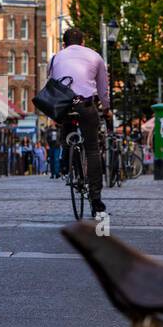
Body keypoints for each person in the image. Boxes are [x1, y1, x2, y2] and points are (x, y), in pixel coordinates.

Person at [48, 28, 110, 217]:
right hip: (84, 103)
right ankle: (96, 198)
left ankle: (66, 157)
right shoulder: (96, 57)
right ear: (83, 42)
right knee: (92, 148)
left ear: (64, 44)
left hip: (64, 104)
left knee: (66, 126)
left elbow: (50, 83)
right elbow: (102, 89)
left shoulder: (55, 58)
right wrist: (106, 108)